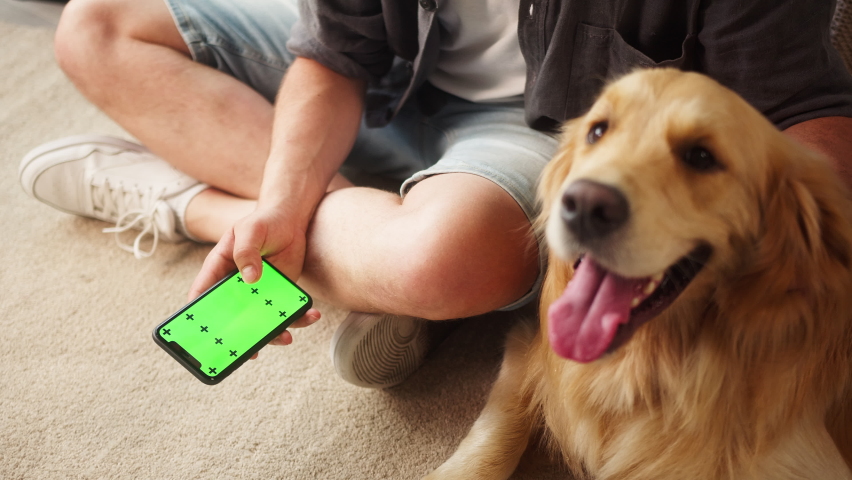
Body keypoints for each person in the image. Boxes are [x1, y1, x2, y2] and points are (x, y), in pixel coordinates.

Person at [20, 0, 852, 389]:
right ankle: (283, 221)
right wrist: (281, 198)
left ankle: (191, 201)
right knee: (95, 26)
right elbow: (337, 52)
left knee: (441, 266)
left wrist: (808, 251)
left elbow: (803, 115)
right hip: (384, 79)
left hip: (551, 130)